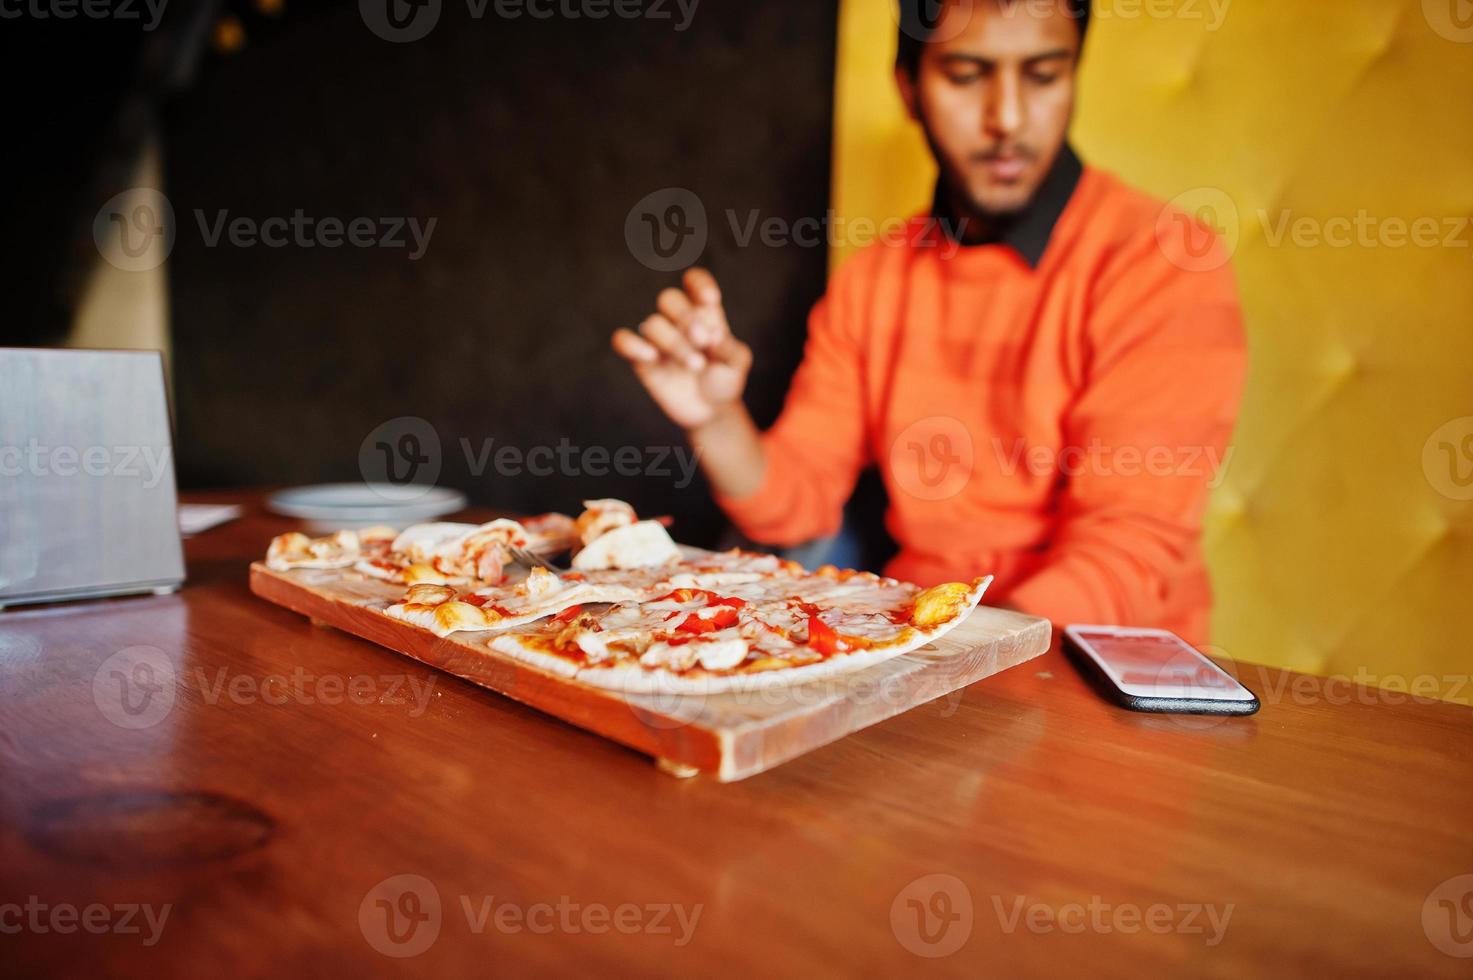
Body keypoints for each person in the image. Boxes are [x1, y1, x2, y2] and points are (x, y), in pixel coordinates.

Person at [611, 0, 1245, 642]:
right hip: (933, 643)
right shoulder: (875, 279)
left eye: (1044, 75)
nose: (1008, 118)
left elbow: (1122, 560)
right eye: (968, 76)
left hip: (1101, 664)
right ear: (909, 89)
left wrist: (936, 662)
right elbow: (795, 506)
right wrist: (715, 419)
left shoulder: (1162, 262)